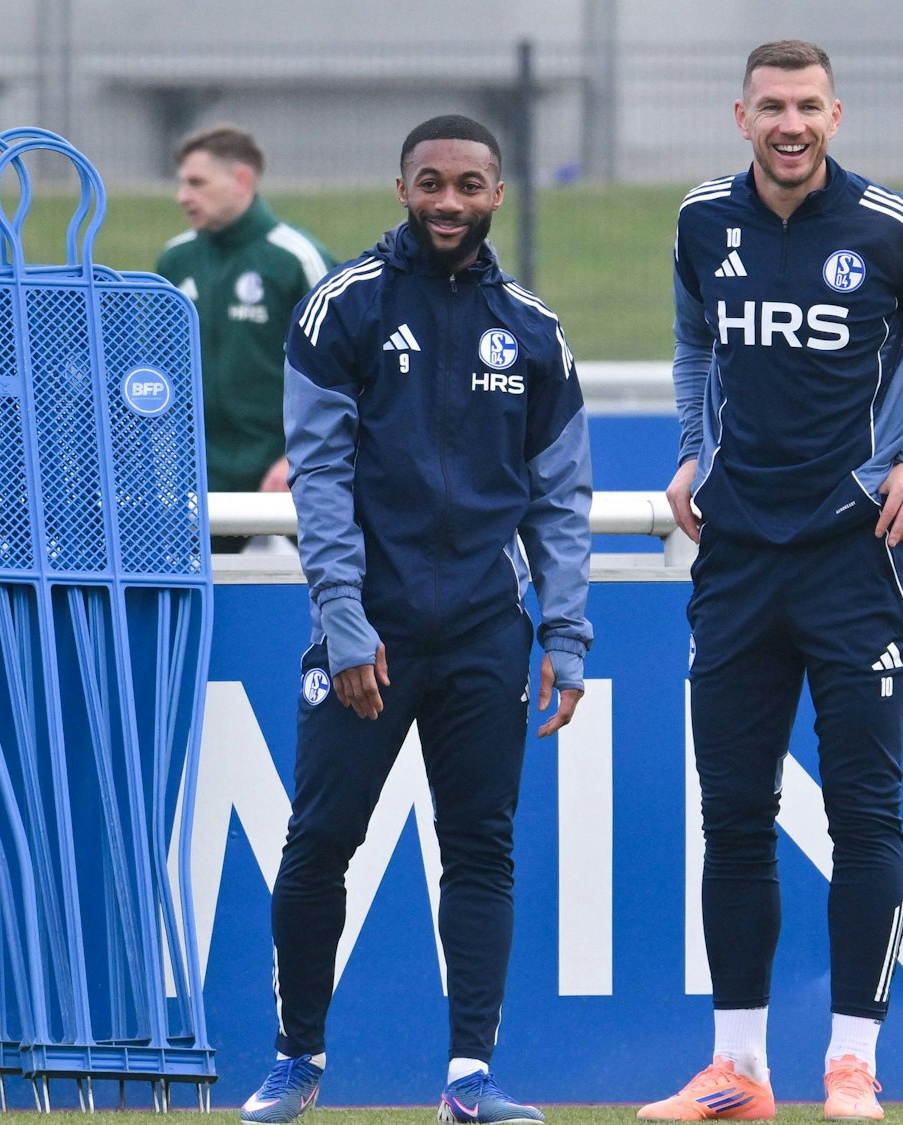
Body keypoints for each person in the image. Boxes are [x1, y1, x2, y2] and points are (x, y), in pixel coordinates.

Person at [639, 40, 903, 1123]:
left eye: (805, 107)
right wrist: (693, 445)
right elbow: (694, 343)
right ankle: (736, 1072)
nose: (787, 125)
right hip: (736, 559)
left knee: (864, 814)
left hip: (854, 560)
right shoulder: (704, 221)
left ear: (833, 115)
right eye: (769, 108)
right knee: (734, 817)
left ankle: (851, 1067)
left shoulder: (890, 228)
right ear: (738, 115)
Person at [239, 114, 593, 1125]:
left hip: (487, 632)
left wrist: (562, 636)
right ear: (402, 188)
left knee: (479, 849)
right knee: (319, 844)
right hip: (370, 634)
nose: (449, 202)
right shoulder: (341, 308)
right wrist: (344, 621)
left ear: (495, 194)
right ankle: (295, 1061)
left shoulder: (531, 328)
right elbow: (318, 476)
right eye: (431, 183)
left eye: (470, 185)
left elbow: (558, 498)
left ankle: (469, 1081)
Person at [155, 122, 335, 552]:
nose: (183, 196)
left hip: (284, 474)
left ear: (242, 180)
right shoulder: (174, 262)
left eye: (196, 182)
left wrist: (300, 457)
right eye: (181, 183)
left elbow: (346, 375)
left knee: (311, 598)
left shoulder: (296, 260)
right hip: (195, 474)